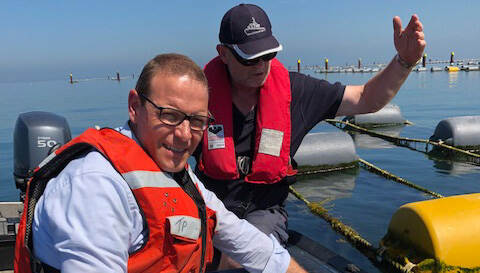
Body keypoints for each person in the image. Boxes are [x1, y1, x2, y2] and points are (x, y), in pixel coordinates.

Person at [14, 54, 307, 273]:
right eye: (169, 115)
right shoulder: (94, 185)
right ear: (134, 107)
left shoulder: (174, 173)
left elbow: (249, 243)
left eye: (196, 121)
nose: (183, 134)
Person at [194, 3, 426, 266]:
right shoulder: (195, 97)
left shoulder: (297, 92)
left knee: (243, 259)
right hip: (210, 212)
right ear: (223, 53)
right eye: (249, 57)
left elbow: (365, 99)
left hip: (263, 214)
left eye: (268, 54)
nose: (261, 66)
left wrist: (404, 62)